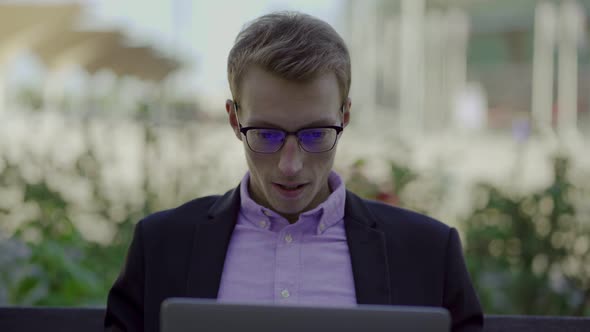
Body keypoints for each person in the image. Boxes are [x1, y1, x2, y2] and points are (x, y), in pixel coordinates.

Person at [105, 11, 483, 332]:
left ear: (345, 116)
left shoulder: (428, 254)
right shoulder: (160, 247)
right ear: (235, 120)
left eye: (316, 133)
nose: (290, 165)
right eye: (266, 134)